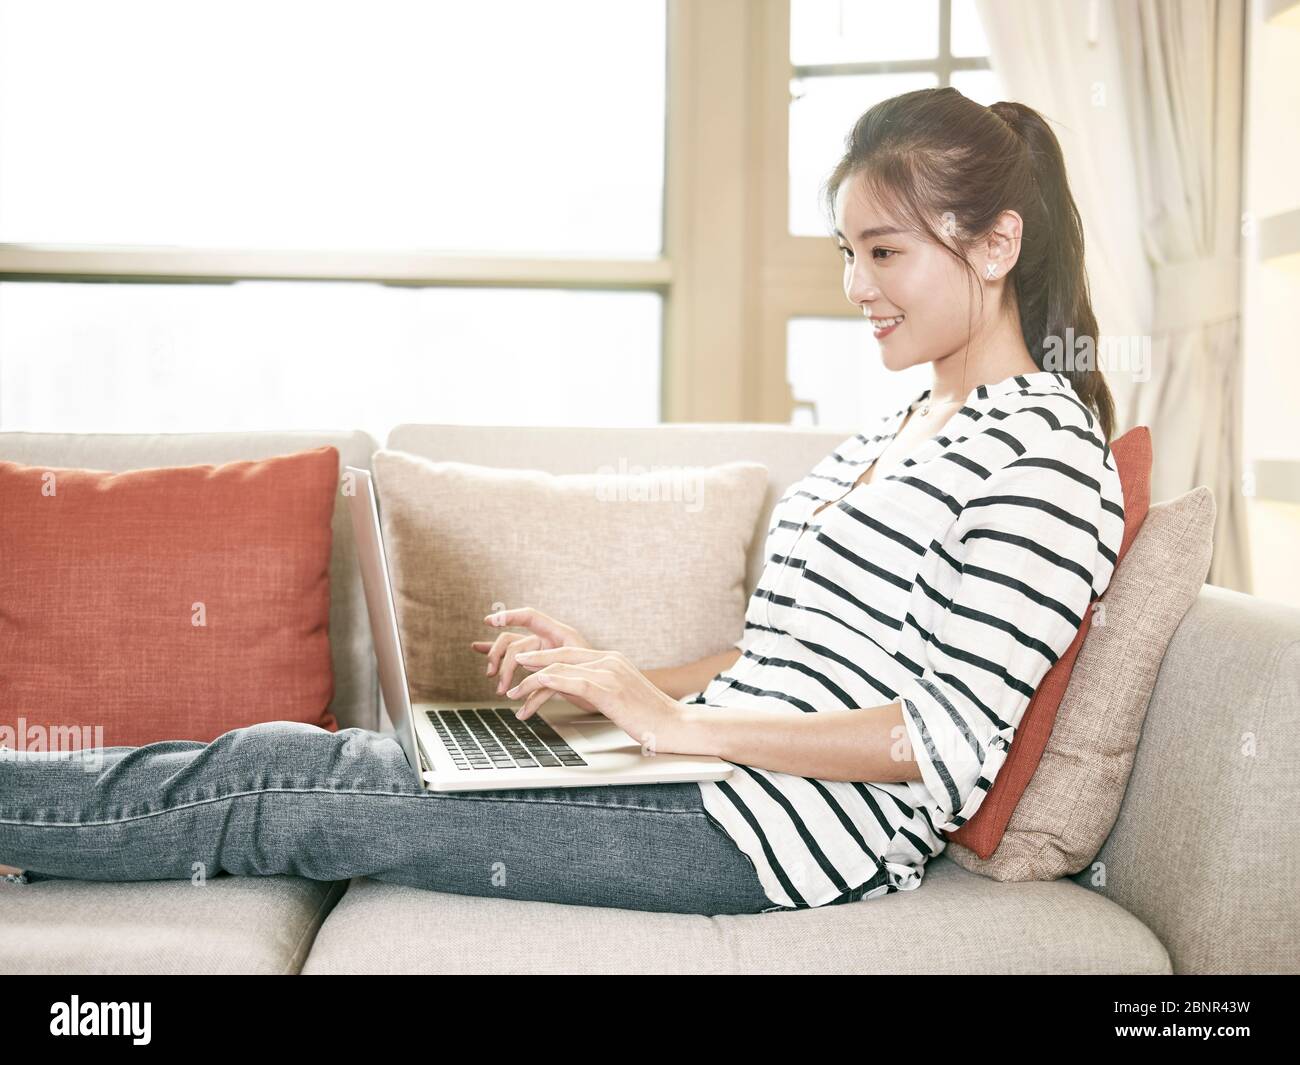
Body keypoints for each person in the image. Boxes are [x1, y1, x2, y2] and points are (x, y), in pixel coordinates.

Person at [0, 87, 1124, 916]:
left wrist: (677, 726)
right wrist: (614, 678)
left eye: (882, 252)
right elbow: (785, 656)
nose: (853, 286)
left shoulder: (1048, 458)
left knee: (285, 780)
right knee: (324, 760)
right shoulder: (898, 427)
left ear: (996, 245)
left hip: (768, 832)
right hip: (712, 773)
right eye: (846, 251)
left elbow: (939, 742)